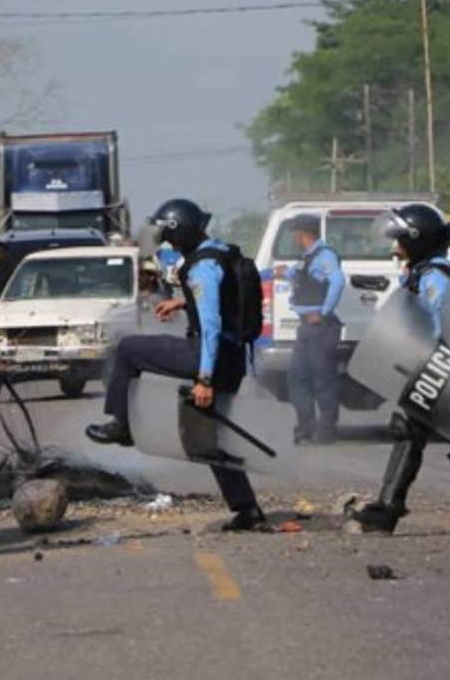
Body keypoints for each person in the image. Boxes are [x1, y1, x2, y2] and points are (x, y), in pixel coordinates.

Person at [85, 198, 268, 531]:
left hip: (208, 357)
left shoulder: (200, 267)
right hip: (234, 358)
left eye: (170, 237)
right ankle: (247, 509)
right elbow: (222, 298)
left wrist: (204, 380)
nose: (167, 243)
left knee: (128, 349)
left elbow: (211, 326)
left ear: (180, 232)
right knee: (207, 437)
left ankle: (122, 424)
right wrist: (182, 301)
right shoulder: (222, 253)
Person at [347, 203, 450, 534]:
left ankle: (388, 509)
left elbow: (445, 323)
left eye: (400, 240)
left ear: (417, 240)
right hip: (446, 367)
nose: (394, 247)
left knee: (411, 430)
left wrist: (430, 364)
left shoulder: (433, 276)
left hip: (441, 367)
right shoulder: (428, 271)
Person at [284, 215, 344, 444]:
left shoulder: (324, 255)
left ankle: (326, 430)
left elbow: (337, 281)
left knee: (323, 379)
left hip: (321, 327)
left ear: (303, 234)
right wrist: (281, 272)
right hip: (306, 327)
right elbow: (298, 274)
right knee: (297, 377)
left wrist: (324, 312)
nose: (294, 238)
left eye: (295, 233)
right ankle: (305, 427)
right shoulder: (308, 258)